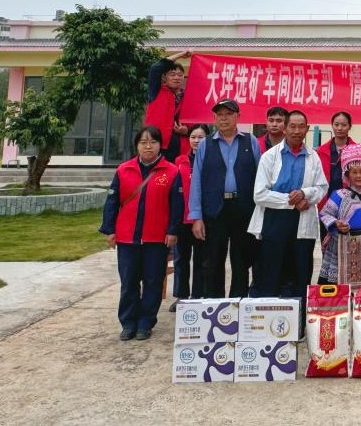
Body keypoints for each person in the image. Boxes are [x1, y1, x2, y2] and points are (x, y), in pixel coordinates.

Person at [100, 126, 183, 341]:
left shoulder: (171, 171)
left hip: (156, 238)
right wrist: (109, 229)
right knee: (129, 282)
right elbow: (112, 201)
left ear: (160, 145)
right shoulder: (124, 170)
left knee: (153, 282)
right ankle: (128, 323)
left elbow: (177, 205)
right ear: (137, 145)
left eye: (153, 142)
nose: (148, 147)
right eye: (143, 142)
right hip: (127, 237)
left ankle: (146, 323)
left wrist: (172, 231)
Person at [248, 110, 328, 298]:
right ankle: (269, 310)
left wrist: (304, 194)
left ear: (307, 129)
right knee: (271, 271)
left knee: (300, 271)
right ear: (285, 128)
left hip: (302, 219)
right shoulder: (270, 156)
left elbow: (322, 187)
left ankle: (299, 311)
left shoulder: (313, 157)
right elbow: (259, 195)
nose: (297, 131)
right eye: (292, 126)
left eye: (301, 127)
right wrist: (292, 201)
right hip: (273, 219)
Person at [188, 98, 261, 298]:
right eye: (219, 115)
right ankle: (215, 305)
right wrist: (196, 217)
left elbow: (260, 178)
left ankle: (238, 303)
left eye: (229, 114)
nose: (224, 118)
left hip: (243, 210)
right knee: (212, 263)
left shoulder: (251, 142)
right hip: (214, 210)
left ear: (238, 116)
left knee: (241, 262)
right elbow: (197, 181)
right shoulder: (205, 144)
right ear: (214, 118)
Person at [318, 143, 361, 286]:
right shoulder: (339, 195)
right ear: (347, 174)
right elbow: (324, 214)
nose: (359, 175)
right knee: (337, 283)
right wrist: (336, 223)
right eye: (354, 172)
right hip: (341, 244)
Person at [169, 123, 210, 312]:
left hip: (202, 219)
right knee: (181, 259)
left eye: (201, 137)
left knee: (201, 259)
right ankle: (181, 296)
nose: (196, 141)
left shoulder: (211, 161)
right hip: (182, 219)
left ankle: (198, 294)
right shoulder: (179, 161)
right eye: (193, 137)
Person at [144, 50, 190, 162]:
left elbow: (197, 123)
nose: (176, 77)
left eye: (180, 75)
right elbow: (155, 68)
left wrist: (187, 130)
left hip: (181, 147)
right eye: (172, 74)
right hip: (156, 145)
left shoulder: (189, 96)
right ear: (164, 78)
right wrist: (180, 55)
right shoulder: (156, 90)